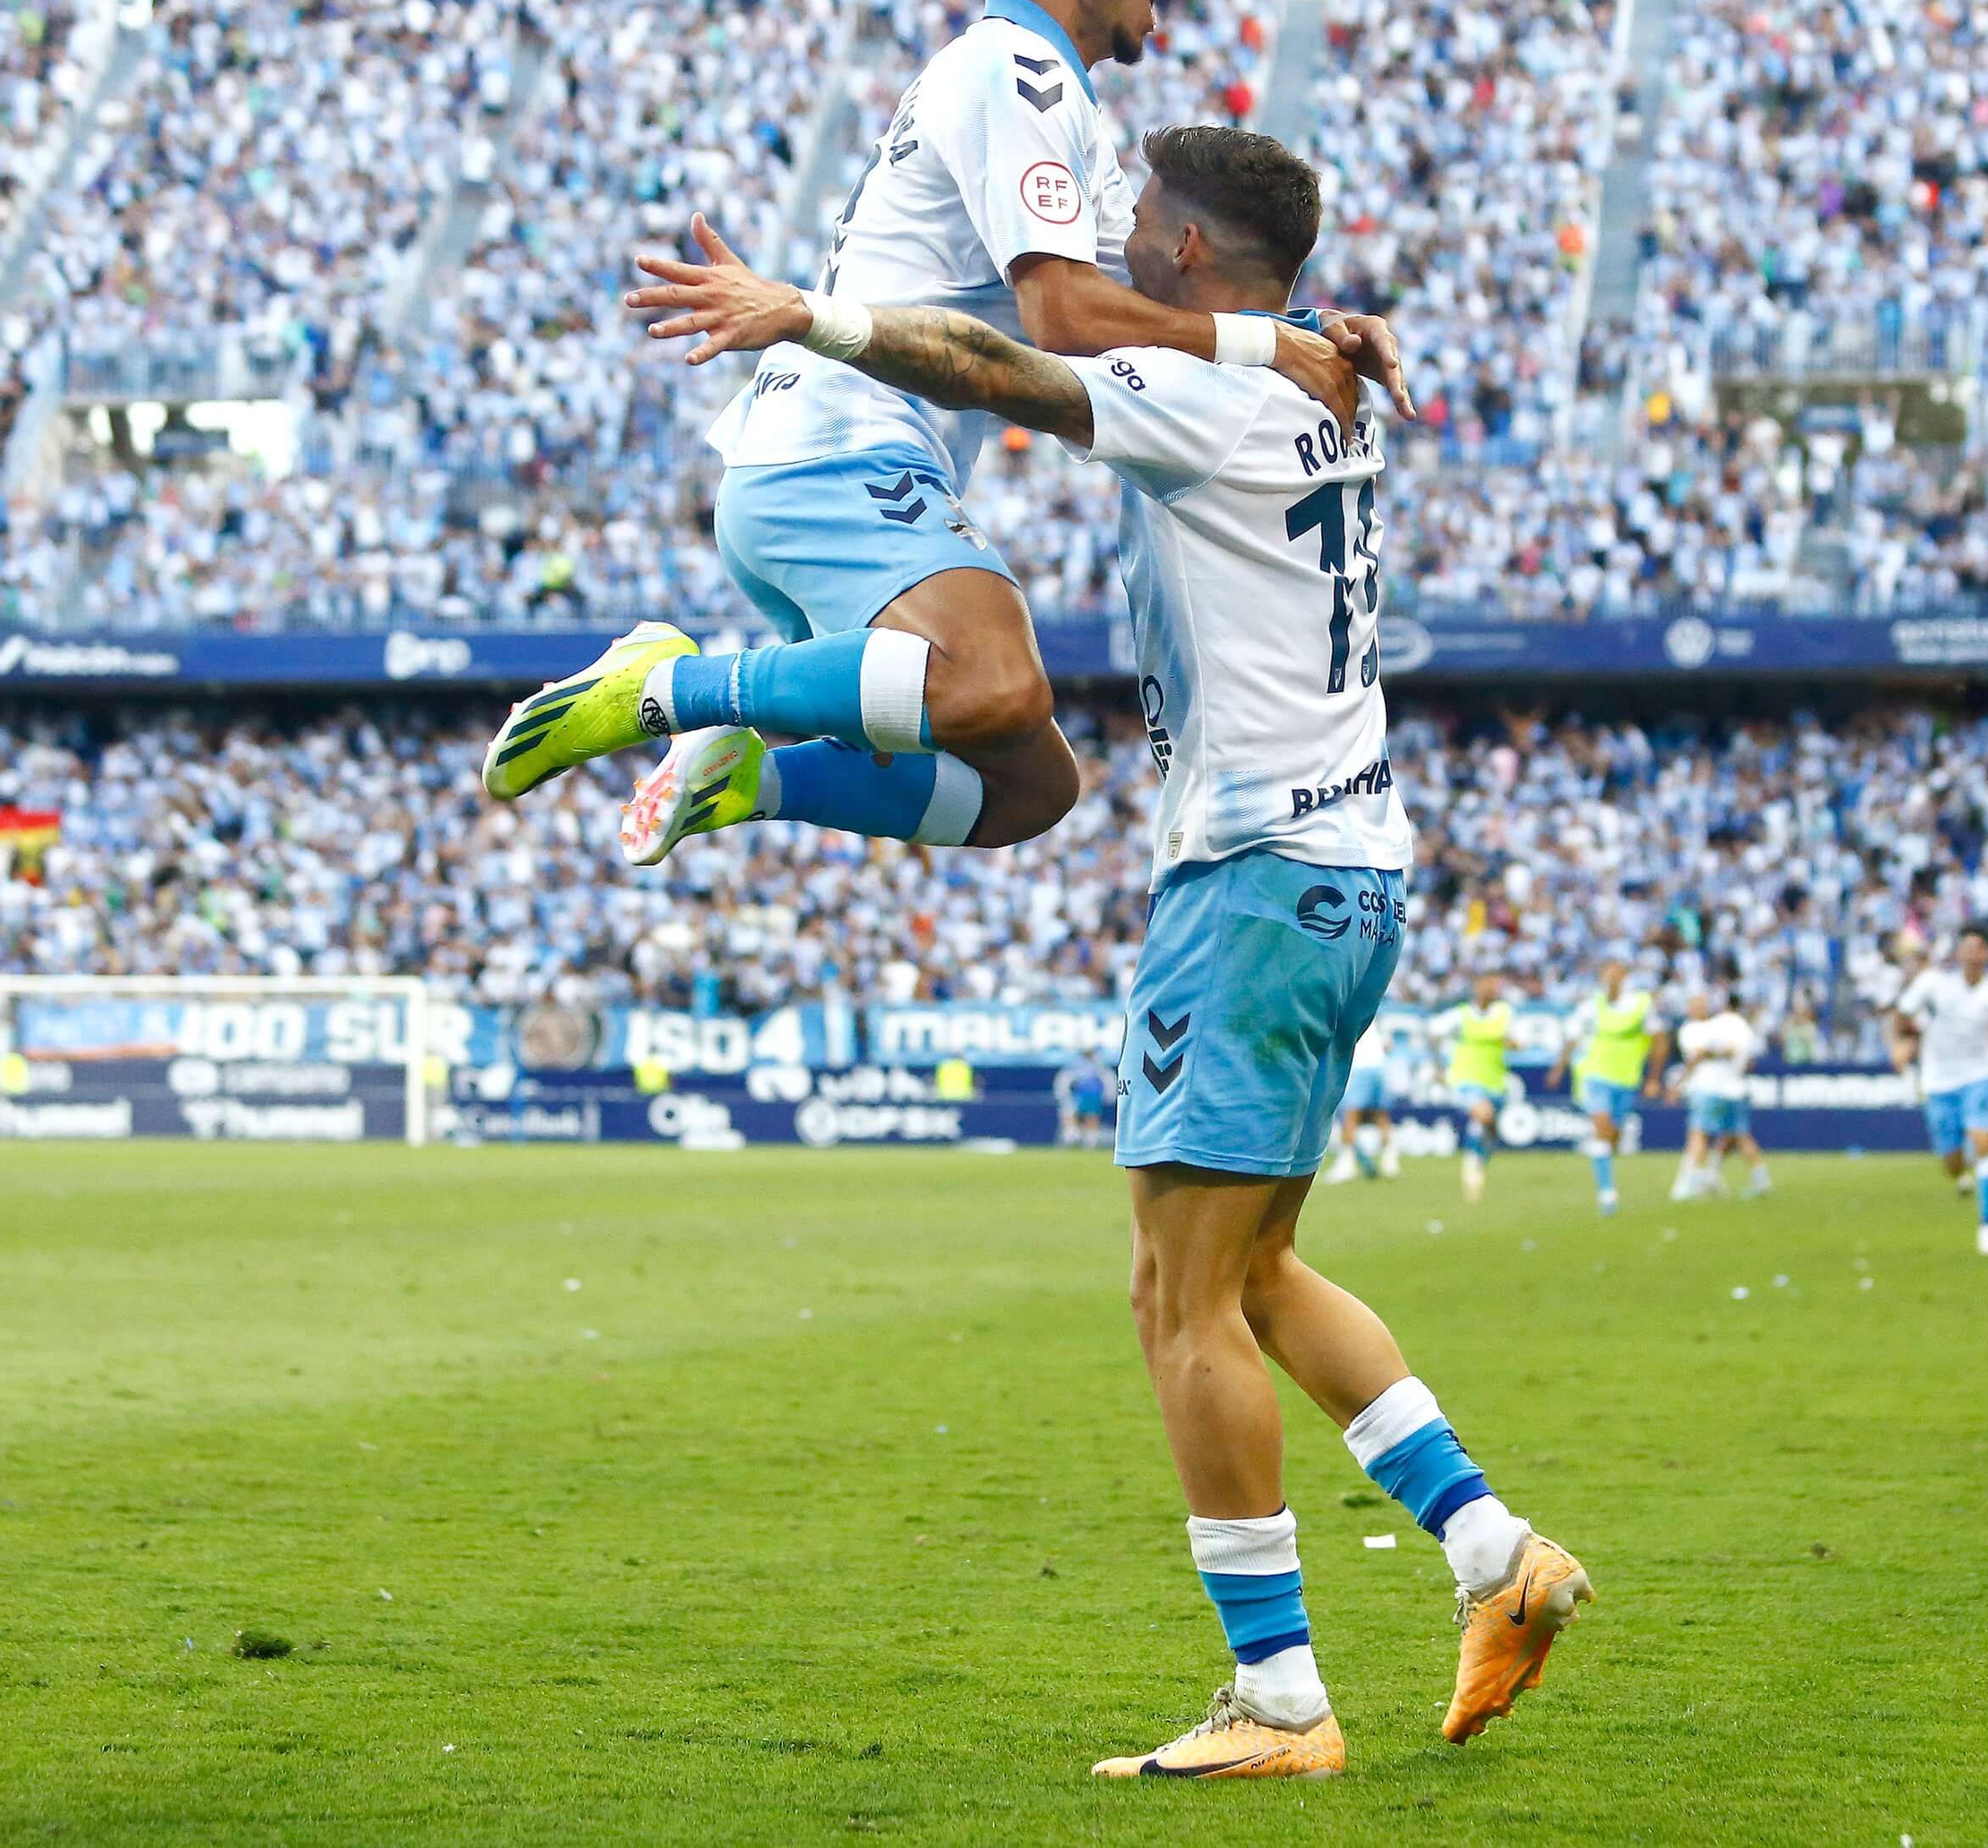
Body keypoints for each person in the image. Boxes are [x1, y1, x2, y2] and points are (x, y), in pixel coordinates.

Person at [628, 118, 1585, 1780]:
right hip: (1352, 864)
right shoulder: (1321, 377)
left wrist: (808, 315)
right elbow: (1150, 329)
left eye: (1143, 219)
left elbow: (1004, 358)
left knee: (1174, 1296)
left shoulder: (1207, 389)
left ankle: (1277, 1699)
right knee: (1257, 1271)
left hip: (1253, 880)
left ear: (1195, 256)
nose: (1114, 238)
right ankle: (1493, 1554)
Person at [482, 0, 1406, 858]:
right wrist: (1267, 348)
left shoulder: (1047, 98)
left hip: (832, 463)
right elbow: (1064, 317)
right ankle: (661, 685)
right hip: (840, 453)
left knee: (1030, 787)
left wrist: (1305, 326)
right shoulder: (1015, 75)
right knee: (995, 683)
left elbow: (1163, 292)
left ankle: (754, 778)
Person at [1890, 927, 1988, 1256]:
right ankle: (1962, 1169)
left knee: (1984, 1142)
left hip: (1979, 1075)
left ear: (1986, 954)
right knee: (1950, 1161)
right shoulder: (1934, 985)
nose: (1969, 954)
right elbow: (1903, 1014)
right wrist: (1902, 1044)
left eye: (1976, 948)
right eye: (1964, 947)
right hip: (1938, 1080)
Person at [1553, 959, 1665, 1217]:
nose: (1611, 978)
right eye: (1607, 974)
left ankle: (1602, 1155)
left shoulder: (1641, 1005)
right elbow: (1572, 1036)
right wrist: (1559, 1067)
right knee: (1603, 1128)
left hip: (1627, 1079)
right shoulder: (1591, 1006)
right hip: (1595, 1075)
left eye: (1616, 973)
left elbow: (1660, 1042)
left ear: (1625, 976)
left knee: (1612, 1134)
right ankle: (1607, 1194)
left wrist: (1653, 1078)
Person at [1668, 988, 1770, 1202]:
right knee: (1739, 1136)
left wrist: (1680, 1082)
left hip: (1711, 1089)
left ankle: (1694, 1181)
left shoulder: (1707, 1027)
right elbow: (1746, 1058)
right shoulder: (1738, 1026)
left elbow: (1700, 1054)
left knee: (1700, 1134)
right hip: (1736, 1089)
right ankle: (1760, 1179)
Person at [1430, 973, 1518, 1204]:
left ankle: (1479, 1163)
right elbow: (1433, 1033)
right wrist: (1438, 1067)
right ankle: (1470, 1166)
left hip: (1495, 1081)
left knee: (1490, 1128)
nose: (1488, 991)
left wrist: (1513, 1043)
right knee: (1483, 1113)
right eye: (1484, 987)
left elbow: (1516, 1040)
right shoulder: (1461, 1015)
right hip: (1465, 1078)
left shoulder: (1504, 1014)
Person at [1324, 1020, 1397, 1183]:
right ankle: (1390, 1162)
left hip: (1360, 1067)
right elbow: (1388, 1045)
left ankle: (1347, 1164)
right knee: (1381, 1116)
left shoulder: (1347, 1008)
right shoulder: (1375, 1014)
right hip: (1379, 1066)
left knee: (1350, 1116)